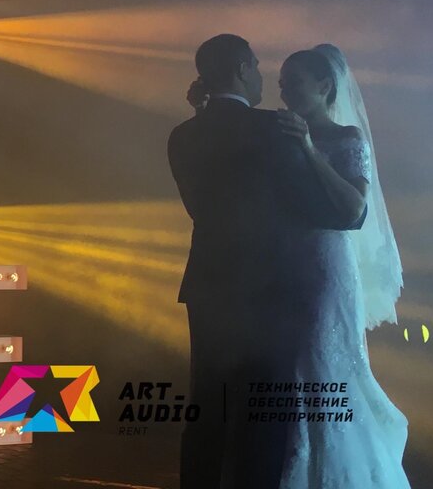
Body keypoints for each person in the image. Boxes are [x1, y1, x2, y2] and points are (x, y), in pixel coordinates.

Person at [168, 35, 361, 489]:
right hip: (268, 289)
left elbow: (209, 199)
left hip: (208, 285)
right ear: (240, 68)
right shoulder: (275, 130)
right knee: (264, 415)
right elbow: (333, 213)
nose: (262, 78)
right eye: (255, 66)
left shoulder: (182, 135)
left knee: (208, 407)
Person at [270, 45, 409, 488]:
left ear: (325, 86)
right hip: (284, 261)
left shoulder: (348, 138)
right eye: (282, 84)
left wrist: (309, 149)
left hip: (327, 263)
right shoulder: (278, 133)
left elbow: (354, 209)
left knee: (322, 360)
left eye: (294, 83)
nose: (285, 92)